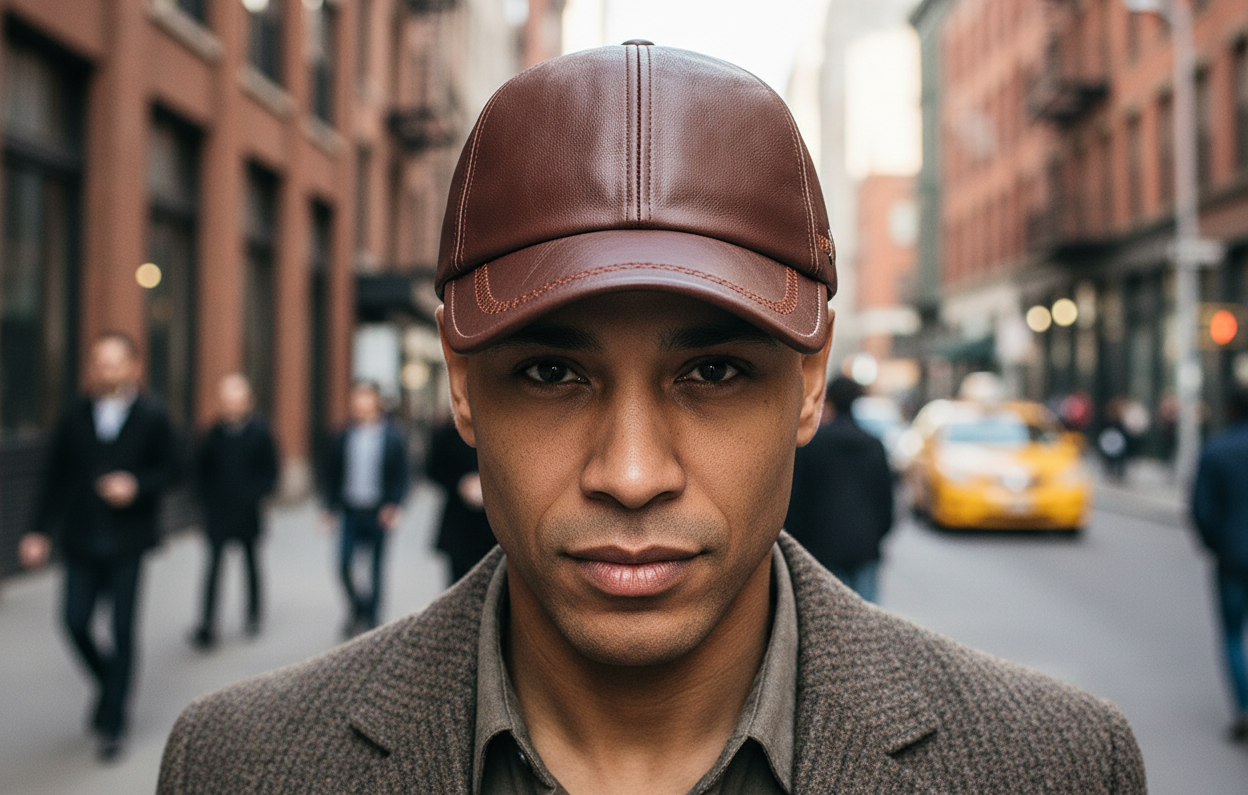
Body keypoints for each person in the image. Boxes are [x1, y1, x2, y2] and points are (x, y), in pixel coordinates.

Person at [159, 43, 1146, 793]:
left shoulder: (1056, 766)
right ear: (463, 383)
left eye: (714, 368)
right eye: (551, 369)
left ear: (811, 383)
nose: (631, 474)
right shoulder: (235, 767)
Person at [19, 331, 177, 762]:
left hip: (128, 541)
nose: (104, 369)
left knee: (123, 631)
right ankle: (111, 684)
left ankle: (113, 722)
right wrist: (36, 532)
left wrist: (136, 485)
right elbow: (53, 477)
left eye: (113, 361)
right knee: (74, 622)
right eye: (98, 362)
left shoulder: (152, 415)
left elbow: (173, 471)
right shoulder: (74, 415)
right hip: (80, 539)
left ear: (133, 366)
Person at [189, 373, 279, 649]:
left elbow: (270, 472)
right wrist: (204, 504)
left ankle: (253, 615)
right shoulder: (212, 435)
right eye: (226, 401)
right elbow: (200, 473)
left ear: (247, 402)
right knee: (213, 568)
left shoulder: (260, 433)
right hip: (218, 513)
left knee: (251, 564)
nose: (231, 406)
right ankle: (207, 623)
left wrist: (255, 496)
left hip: (248, 512)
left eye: (236, 401)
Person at [785, 375, 893, 603]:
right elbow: (886, 502)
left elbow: (797, 501)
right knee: (868, 623)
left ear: (829, 400)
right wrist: (875, 536)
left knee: (831, 624)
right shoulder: (874, 445)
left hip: (823, 548)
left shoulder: (813, 444)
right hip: (865, 546)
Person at [318, 380, 408, 637]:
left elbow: (402, 474)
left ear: (376, 402)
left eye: (365, 398)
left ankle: (373, 621)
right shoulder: (343, 435)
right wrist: (328, 509)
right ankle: (358, 607)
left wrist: (395, 506)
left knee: (377, 569)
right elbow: (331, 475)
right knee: (343, 565)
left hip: (379, 512)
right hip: (350, 511)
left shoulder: (392, 436)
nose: (359, 404)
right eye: (356, 399)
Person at [1191, 385, 1248, 741]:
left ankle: (1244, 707)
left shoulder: (1216, 450)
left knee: (1231, 635)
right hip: (1230, 555)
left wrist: (1218, 545)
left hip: (1231, 559)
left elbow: (1201, 510)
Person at [427, 415, 496, 584]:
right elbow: (432, 469)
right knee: (457, 581)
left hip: (493, 524)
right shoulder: (450, 433)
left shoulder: (505, 430)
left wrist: (490, 486)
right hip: (458, 521)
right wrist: (459, 483)